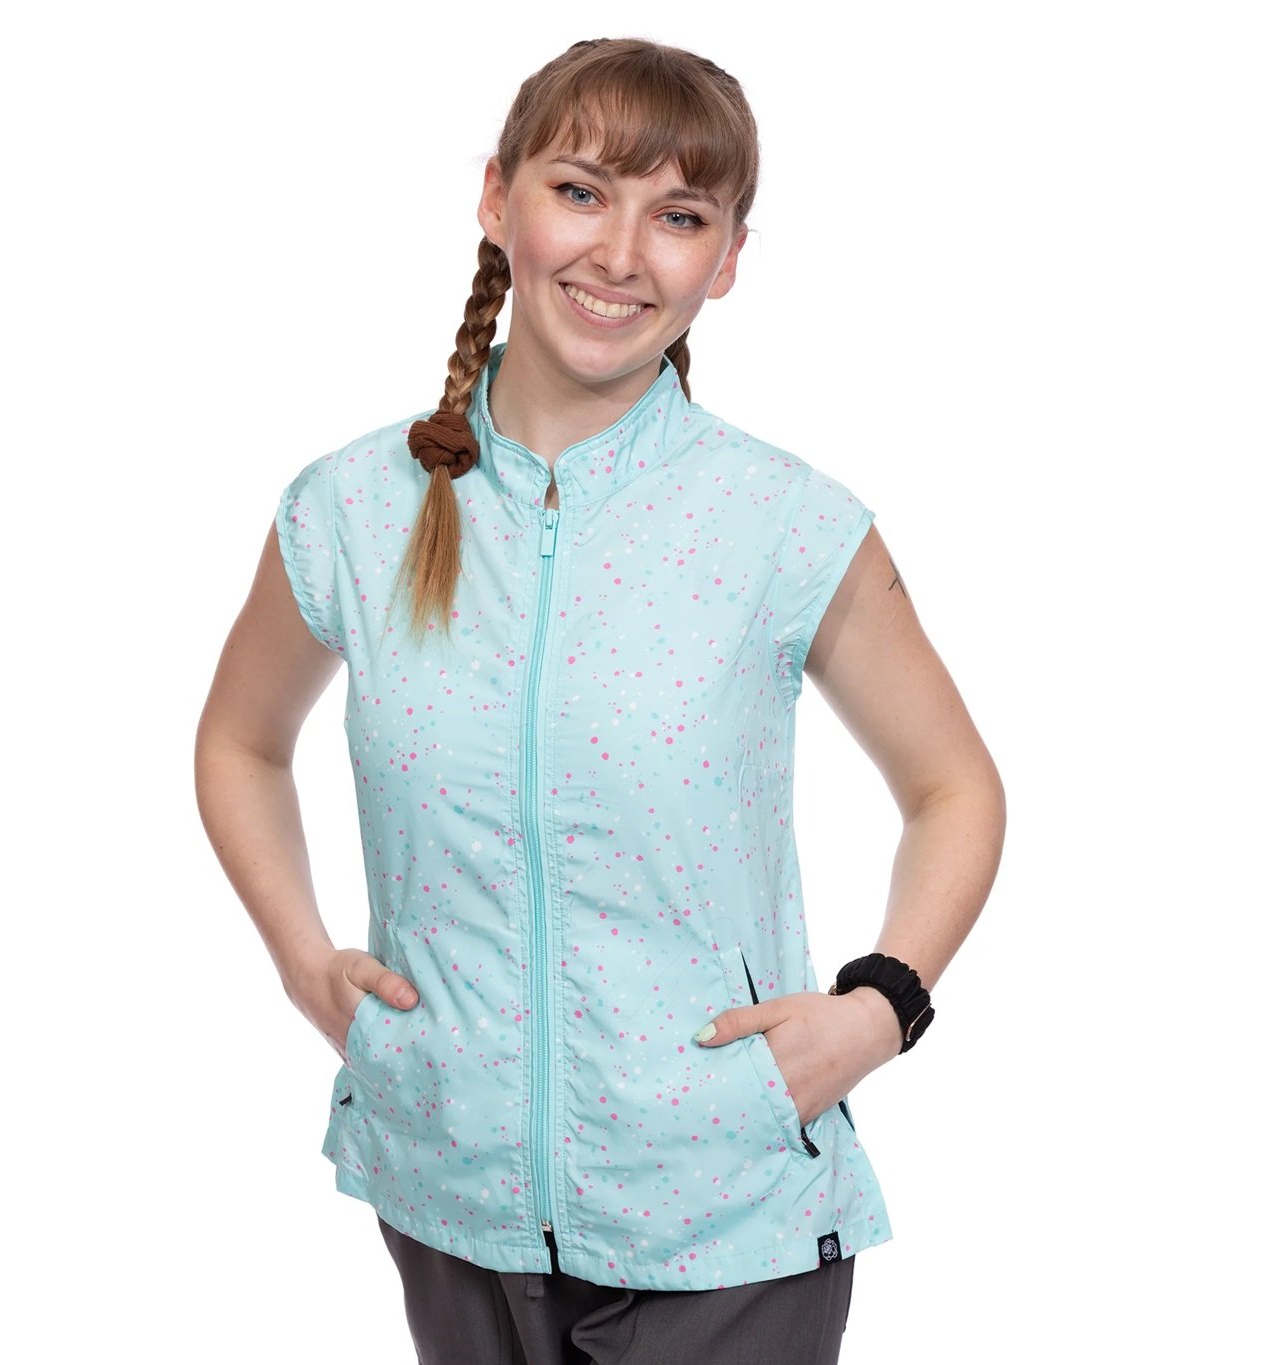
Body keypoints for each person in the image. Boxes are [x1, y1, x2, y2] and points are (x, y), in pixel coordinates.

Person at [195, 35, 1006, 1365]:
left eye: (678, 216)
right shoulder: (349, 509)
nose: (621, 254)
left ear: (726, 259)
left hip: (728, 1218)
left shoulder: (785, 524)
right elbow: (240, 741)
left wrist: (877, 1008)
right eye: (580, 192)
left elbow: (952, 786)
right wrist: (301, 961)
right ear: (496, 197)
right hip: (449, 1192)